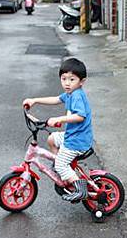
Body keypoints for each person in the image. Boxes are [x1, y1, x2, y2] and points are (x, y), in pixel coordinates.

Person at [22, 58, 93, 202]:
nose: (67, 83)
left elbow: (80, 116)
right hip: (72, 135)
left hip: (77, 141)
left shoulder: (77, 95)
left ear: (81, 81)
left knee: (61, 164)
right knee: (52, 139)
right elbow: (55, 99)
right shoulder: (69, 94)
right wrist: (35, 100)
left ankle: (80, 188)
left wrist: (59, 119)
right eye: (64, 79)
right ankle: (63, 169)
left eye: (72, 79)